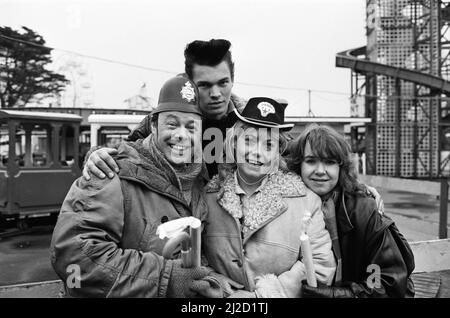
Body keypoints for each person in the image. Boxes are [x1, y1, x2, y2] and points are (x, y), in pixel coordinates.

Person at [50, 76, 231, 298]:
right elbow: (74, 260)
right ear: (153, 126)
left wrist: (208, 277)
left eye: (191, 127)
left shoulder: (199, 184)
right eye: (172, 124)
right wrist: (166, 278)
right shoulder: (109, 173)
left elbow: (194, 258)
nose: (181, 135)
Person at [197, 98, 336, 298]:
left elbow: (320, 265)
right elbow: (195, 258)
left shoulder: (305, 201)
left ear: (278, 152)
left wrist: (261, 297)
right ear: (234, 143)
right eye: (249, 141)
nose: (257, 153)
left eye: (268, 144)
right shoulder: (209, 197)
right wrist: (219, 287)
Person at [84, 38, 245, 180]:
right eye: (204, 85)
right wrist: (97, 156)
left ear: (233, 79)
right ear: (189, 83)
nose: (216, 94)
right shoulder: (167, 118)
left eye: (223, 83)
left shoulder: (251, 119)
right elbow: (129, 151)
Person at [286, 124, 415, 298]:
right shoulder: (287, 204)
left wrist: (337, 295)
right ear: (298, 165)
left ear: (341, 167)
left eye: (330, 162)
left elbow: (387, 281)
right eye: (311, 161)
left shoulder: (363, 210)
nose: (320, 171)